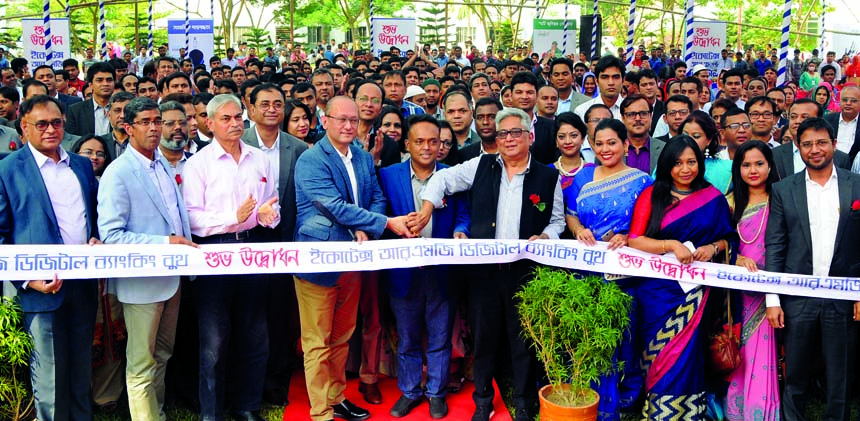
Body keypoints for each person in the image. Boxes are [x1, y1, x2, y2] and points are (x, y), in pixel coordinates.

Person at [415, 107, 565, 421]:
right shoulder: (481, 165)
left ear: (530, 136)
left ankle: (523, 402)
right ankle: (483, 399)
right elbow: (442, 178)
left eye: (516, 132)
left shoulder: (548, 175)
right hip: (484, 273)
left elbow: (556, 221)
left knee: (524, 339)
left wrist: (547, 238)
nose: (509, 139)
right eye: (502, 134)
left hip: (524, 271)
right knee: (484, 338)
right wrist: (428, 207)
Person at [293, 96, 412, 421]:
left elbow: (375, 196)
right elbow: (331, 204)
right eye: (340, 119)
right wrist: (382, 224)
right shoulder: (311, 159)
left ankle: (337, 396)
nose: (348, 125)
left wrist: (368, 229)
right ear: (325, 120)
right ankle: (321, 413)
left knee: (343, 336)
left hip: (353, 261)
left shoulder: (360, 156)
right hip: (318, 263)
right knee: (317, 341)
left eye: (352, 119)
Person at [0, 95, 100, 421]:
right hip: (40, 289)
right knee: (50, 378)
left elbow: (93, 218)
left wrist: (97, 238)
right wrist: (27, 279)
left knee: (81, 367)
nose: (50, 129)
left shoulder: (82, 165)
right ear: (24, 127)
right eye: (41, 124)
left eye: (56, 122)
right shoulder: (6, 170)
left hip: (83, 284)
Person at [182, 94, 281, 421]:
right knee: (214, 340)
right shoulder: (198, 164)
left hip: (252, 248)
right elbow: (192, 219)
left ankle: (247, 406)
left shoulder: (258, 159)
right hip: (215, 253)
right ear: (208, 124)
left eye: (238, 117)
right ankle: (212, 413)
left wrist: (268, 215)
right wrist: (232, 218)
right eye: (226, 118)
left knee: (255, 334)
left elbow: (271, 203)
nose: (235, 123)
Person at [97, 97, 195, 420]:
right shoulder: (118, 173)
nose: (154, 128)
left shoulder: (162, 163)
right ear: (128, 128)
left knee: (162, 355)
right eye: (146, 122)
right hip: (141, 283)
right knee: (141, 363)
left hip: (172, 279)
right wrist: (165, 244)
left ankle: (158, 412)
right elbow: (112, 236)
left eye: (158, 121)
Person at [627, 135, 738, 418]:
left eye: (691, 162)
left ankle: (687, 411)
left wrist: (712, 247)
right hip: (656, 289)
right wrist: (671, 246)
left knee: (686, 350)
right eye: (678, 163)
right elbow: (636, 240)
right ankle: (657, 410)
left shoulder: (713, 198)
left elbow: (728, 239)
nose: (685, 169)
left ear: (700, 164)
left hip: (696, 290)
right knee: (658, 349)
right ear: (668, 165)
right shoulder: (653, 195)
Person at [766, 117, 860, 421]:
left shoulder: (855, 185)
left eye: (821, 142)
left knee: (840, 375)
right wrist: (772, 299)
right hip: (797, 298)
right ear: (798, 147)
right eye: (807, 144)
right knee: (794, 373)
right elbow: (776, 246)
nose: (815, 149)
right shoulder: (783, 189)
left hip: (844, 297)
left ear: (834, 145)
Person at [378, 114, 471, 419]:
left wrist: (461, 230)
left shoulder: (451, 175)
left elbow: (463, 213)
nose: (428, 147)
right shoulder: (389, 175)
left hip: (442, 270)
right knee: (407, 337)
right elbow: (380, 213)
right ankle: (409, 391)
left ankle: (436, 393)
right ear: (407, 144)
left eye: (435, 141)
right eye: (420, 141)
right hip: (404, 272)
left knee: (441, 335)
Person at [565, 118, 652, 417]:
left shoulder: (642, 181)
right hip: (588, 271)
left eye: (612, 142)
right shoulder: (583, 178)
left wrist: (629, 236)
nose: (605, 149)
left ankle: (622, 399)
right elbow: (571, 214)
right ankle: (590, 398)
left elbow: (651, 223)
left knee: (625, 337)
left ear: (626, 144)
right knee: (591, 336)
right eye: (598, 143)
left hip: (626, 274)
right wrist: (578, 230)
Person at [240, 84, 309, 407]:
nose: (271, 109)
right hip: (246, 241)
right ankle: (248, 378)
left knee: (281, 313)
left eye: (277, 104)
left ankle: (276, 379)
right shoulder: (237, 145)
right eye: (264, 104)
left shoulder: (299, 149)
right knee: (250, 313)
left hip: (285, 240)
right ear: (250, 108)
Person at [724, 140, 781, 421]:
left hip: (769, 290)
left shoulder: (781, 199)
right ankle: (737, 411)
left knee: (765, 349)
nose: (753, 170)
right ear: (738, 168)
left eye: (759, 163)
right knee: (737, 349)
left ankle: (761, 412)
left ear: (770, 166)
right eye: (746, 165)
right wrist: (735, 260)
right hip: (737, 291)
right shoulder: (730, 202)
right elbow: (719, 242)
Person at [680, 110, 733, 193]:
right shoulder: (668, 164)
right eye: (685, 135)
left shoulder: (725, 169)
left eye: (696, 136)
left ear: (709, 139)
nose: (688, 140)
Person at [66, 62, 116, 136]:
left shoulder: (122, 109)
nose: (105, 84)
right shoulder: (76, 111)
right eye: (99, 80)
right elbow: (71, 140)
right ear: (90, 85)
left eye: (109, 80)